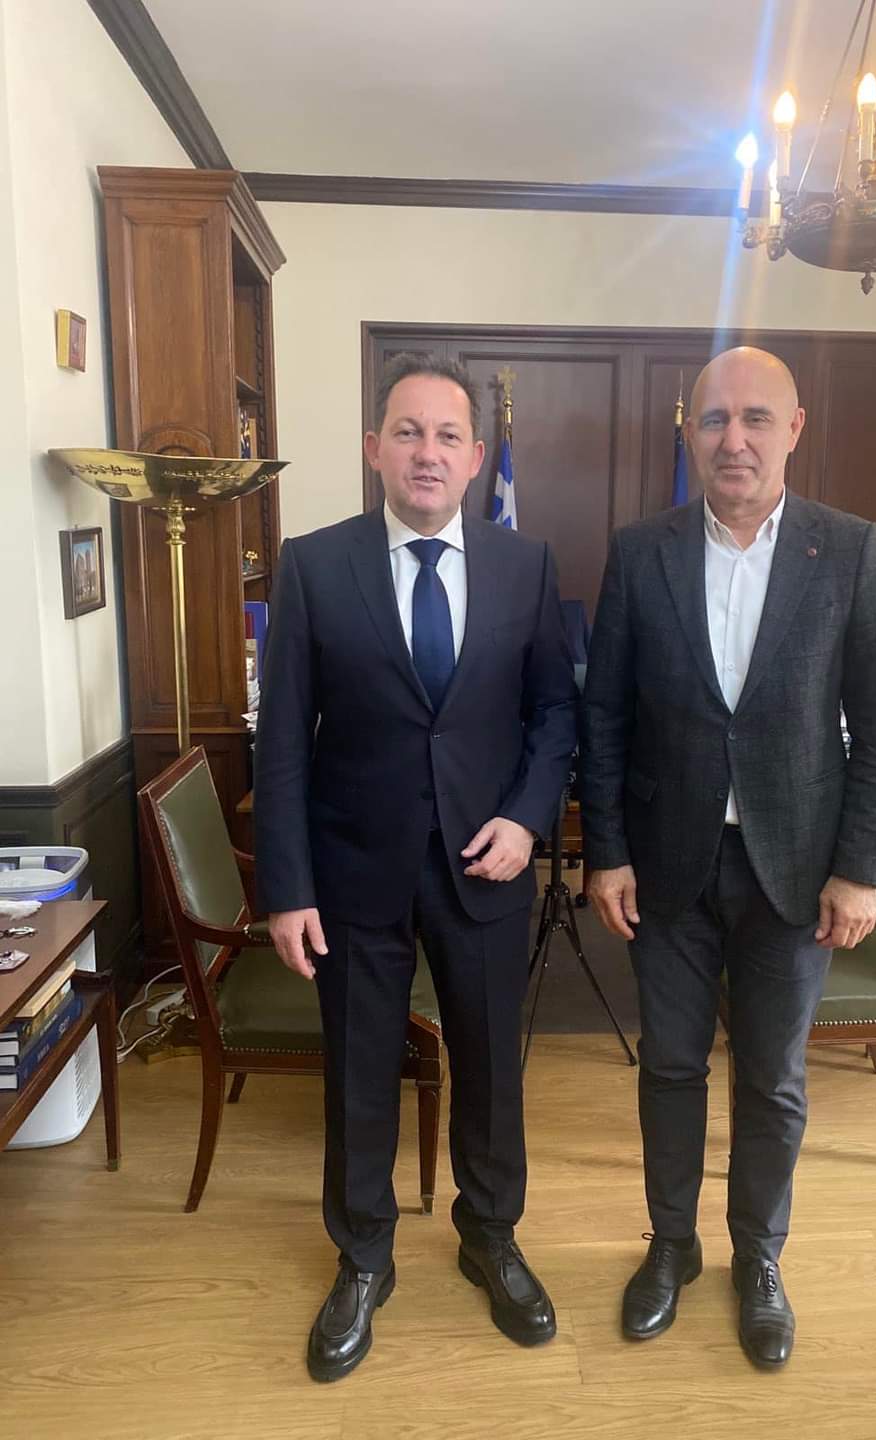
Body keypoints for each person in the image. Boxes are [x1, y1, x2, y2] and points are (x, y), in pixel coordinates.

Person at [581, 346, 876, 1370]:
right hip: (666, 867)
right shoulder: (641, 552)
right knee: (671, 1068)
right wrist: (606, 852)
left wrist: (862, 870)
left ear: (794, 429)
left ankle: (759, 1258)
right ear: (690, 429)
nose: (735, 438)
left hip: (797, 875)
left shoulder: (848, 550)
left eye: (757, 418)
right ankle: (671, 1246)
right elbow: (605, 719)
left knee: (772, 1080)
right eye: (716, 418)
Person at [255, 353, 577, 1382]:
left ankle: (491, 1237)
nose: (427, 452)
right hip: (354, 871)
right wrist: (287, 888)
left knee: (489, 1069)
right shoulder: (314, 564)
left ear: (477, 456)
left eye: (446, 435)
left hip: (487, 868)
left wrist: (528, 820)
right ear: (373, 448)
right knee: (359, 1073)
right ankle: (363, 1257)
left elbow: (554, 714)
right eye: (407, 431)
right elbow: (283, 742)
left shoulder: (526, 565)